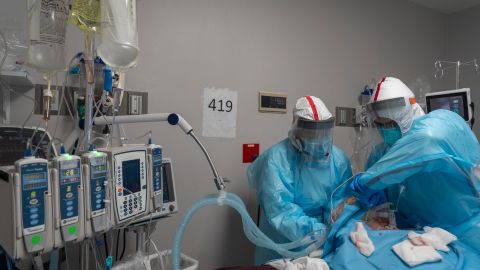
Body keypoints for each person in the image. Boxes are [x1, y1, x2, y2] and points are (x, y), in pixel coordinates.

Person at [350, 77, 480, 239]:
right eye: (380, 125)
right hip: (416, 234)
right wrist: (377, 206)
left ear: (406, 114)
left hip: (464, 230)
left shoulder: (438, 126)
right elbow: (377, 200)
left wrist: (365, 182)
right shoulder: (383, 152)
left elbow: (424, 143)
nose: (385, 131)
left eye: (390, 124)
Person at [247, 96, 353, 265]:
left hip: (324, 243)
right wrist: (317, 230)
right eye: (312, 131)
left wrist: (336, 218)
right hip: (284, 245)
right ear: (297, 129)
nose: (318, 137)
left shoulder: (339, 160)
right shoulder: (278, 159)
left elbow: (342, 197)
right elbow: (281, 210)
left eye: (323, 131)